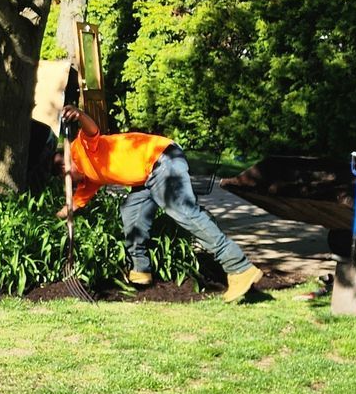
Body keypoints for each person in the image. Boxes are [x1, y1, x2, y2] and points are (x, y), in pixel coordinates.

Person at [56, 106, 264, 301]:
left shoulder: (80, 148)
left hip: (161, 159)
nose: (70, 182)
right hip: (147, 177)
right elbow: (72, 206)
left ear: (65, 164)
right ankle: (140, 270)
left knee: (184, 212)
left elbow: (92, 130)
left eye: (64, 176)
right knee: (132, 212)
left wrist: (79, 114)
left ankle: (239, 267)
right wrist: (54, 219)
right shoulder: (89, 178)